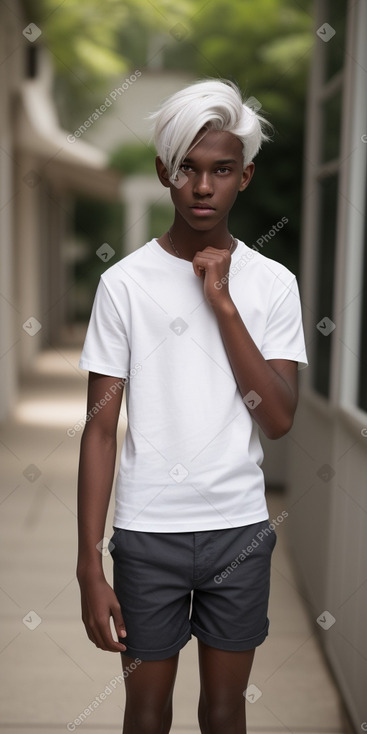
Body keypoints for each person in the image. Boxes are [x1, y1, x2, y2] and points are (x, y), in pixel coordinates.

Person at [76, 78, 308, 734]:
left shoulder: (271, 285)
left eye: (221, 170)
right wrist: (88, 564)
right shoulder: (123, 286)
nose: (202, 186)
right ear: (162, 172)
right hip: (148, 536)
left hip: (239, 532)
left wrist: (223, 305)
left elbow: (278, 417)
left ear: (245, 176)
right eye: (186, 168)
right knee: (146, 712)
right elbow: (99, 433)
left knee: (224, 711)